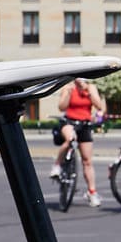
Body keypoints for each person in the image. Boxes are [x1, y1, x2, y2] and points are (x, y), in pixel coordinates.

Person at [52, 76, 102, 207]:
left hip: (85, 124)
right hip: (69, 122)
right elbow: (62, 107)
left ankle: (92, 192)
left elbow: (99, 106)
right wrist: (68, 93)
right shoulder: (68, 88)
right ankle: (57, 165)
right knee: (69, 139)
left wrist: (88, 92)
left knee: (87, 160)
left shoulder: (91, 88)